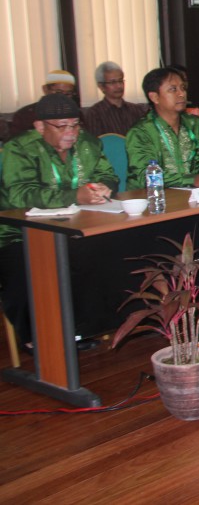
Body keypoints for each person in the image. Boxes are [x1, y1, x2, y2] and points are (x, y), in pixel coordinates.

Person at [0, 94, 119, 344]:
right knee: (23, 269)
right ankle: (40, 340)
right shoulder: (19, 148)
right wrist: (74, 196)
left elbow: (108, 174)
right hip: (18, 232)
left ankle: (84, 328)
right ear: (40, 126)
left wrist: (104, 186)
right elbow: (20, 194)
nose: (71, 133)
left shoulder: (87, 143)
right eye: (62, 126)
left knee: (104, 252)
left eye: (75, 125)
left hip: (74, 227)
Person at [125, 68, 199, 189]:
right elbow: (145, 176)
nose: (182, 94)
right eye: (173, 89)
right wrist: (192, 179)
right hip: (150, 196)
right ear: (154, 97)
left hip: (191, 193)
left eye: (183, 88)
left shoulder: (195, 124)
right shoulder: (140, 132)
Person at [81, 61, 148, 136]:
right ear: (101, 86)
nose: (119, 86)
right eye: (113, 82)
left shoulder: (137, 110)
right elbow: (95, 142)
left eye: (120, 81)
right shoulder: (94, 114)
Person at [9, 69, 78, 137]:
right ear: (45, 89)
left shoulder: (76, 113)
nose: (63, 97)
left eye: (68, 93)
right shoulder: (25, 115)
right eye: (58, 92)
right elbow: (18, 141)